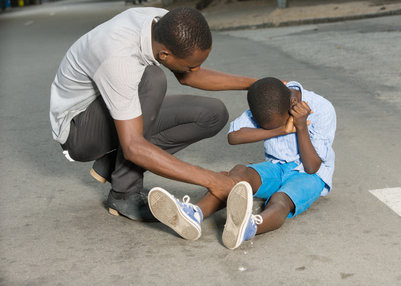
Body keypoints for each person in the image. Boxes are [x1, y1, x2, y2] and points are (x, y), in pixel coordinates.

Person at [50, 7, 257, 221]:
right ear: (165, 54)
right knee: (152, 78)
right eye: (192, 66)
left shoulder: (162, 22)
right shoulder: (119, 59)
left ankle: (113, 162)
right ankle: (124, 193)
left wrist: (255, 84)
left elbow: (188, 77)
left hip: (113, 105)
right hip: (78, 131)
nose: (195, 70)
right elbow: (133, 147)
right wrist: (213, 180)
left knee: (212, 114)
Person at [148, 77, 336, 249]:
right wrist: (280, 130)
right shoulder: (267, 102)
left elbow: (312, 166)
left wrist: (301, 126)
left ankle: (248, 226)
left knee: (280, 199)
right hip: (277, 167)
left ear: (292, 104)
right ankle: (194, 214)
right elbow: (234, 136)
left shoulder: (321, 109)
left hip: (310, 175)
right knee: (238, 174)